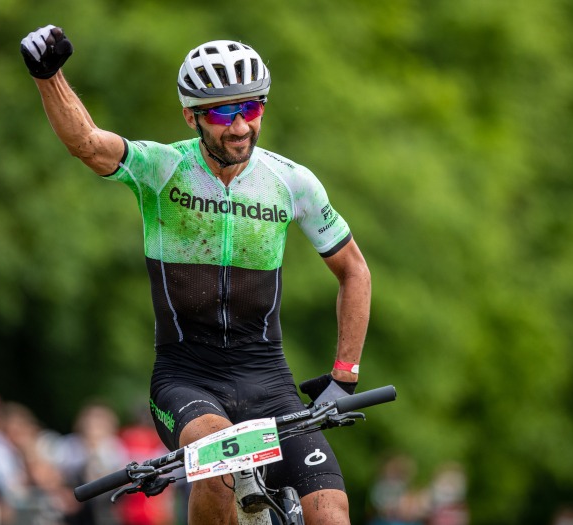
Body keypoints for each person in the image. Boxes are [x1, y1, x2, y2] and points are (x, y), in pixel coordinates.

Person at [20, 25, 371, 525]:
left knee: (332, 512)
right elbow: (88, 144)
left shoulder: (291, 181)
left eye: (252, 107)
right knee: (219, 462)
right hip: (186, 379)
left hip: (268, 381)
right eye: (224, 113)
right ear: (192, 116)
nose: (241, 126)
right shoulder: (163, 169)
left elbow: (354, 269)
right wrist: (49, 76)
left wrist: (344, 376)